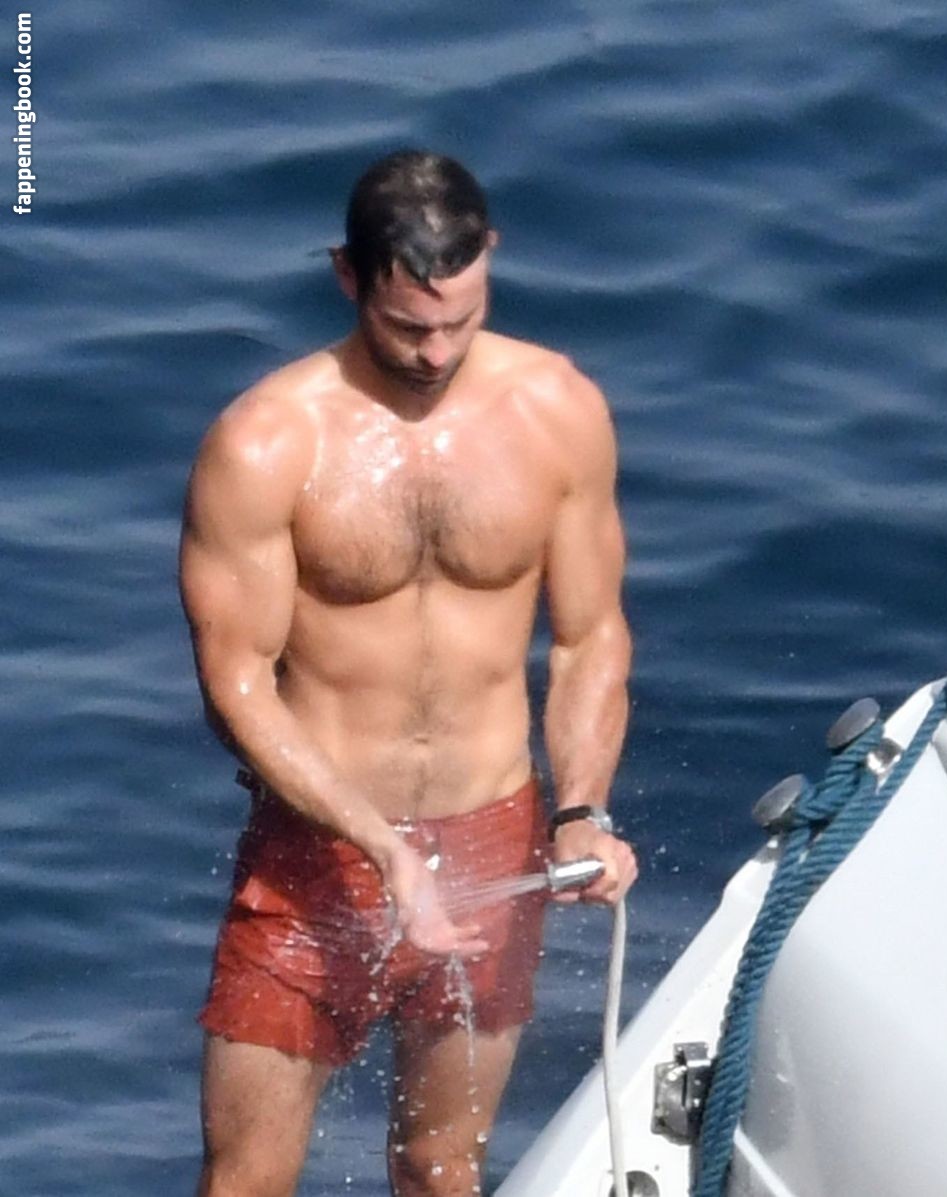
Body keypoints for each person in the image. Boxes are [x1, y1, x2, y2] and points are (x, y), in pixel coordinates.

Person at [179, 149, 640, 1197]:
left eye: (459, 323)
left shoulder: (558, 411)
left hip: (492, 843)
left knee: (439, 1169)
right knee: (245, 1180)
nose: (435, 354)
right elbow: (236, 686)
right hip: (318, 860)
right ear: (348, 277)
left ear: (492, 261)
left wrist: (582, 811)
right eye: (406, 328)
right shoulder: (266, 444)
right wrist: (382, 846)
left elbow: (591, 637)